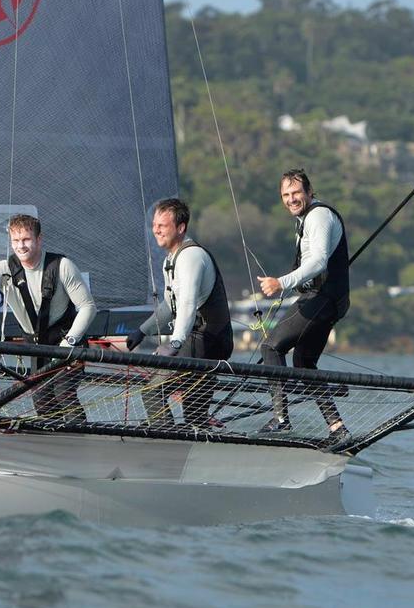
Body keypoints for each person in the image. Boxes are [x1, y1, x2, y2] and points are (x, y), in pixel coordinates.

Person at [0, 214, 96, 421]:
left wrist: (69, 342)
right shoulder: (3, 269)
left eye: (26, 240)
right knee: (42, 400)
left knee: (64, 394)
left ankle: (83, 443)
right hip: (36, 345)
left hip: (67, 341)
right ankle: (51, 446)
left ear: (39, 239)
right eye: (15, 241)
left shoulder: (63, 266)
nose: (21, 246)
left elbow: (88, 307)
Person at [256, 168, 350, 434]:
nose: (291, 198)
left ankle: (281, 420)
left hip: (322, 299)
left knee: (271, 348)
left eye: (296, 192)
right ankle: (337, 428)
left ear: (310, 192)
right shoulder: (305, 219)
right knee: (304, 362)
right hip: (329, 300)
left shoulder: (318, 216)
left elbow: (319, 261)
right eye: (286, 194)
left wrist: (281, 283)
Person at [125, 198, 233, 428]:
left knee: (152, 389)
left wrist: (173, 345)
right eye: (154, 224)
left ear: (181, 227)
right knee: (195, 418)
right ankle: (190, 441)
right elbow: (169, 306)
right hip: (196, 340)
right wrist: (142, 332)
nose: (155, 230)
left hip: (208, 341)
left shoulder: (191, 256)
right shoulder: (170, 261)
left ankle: (167, 438)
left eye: (162, 225)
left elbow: (187, 303)